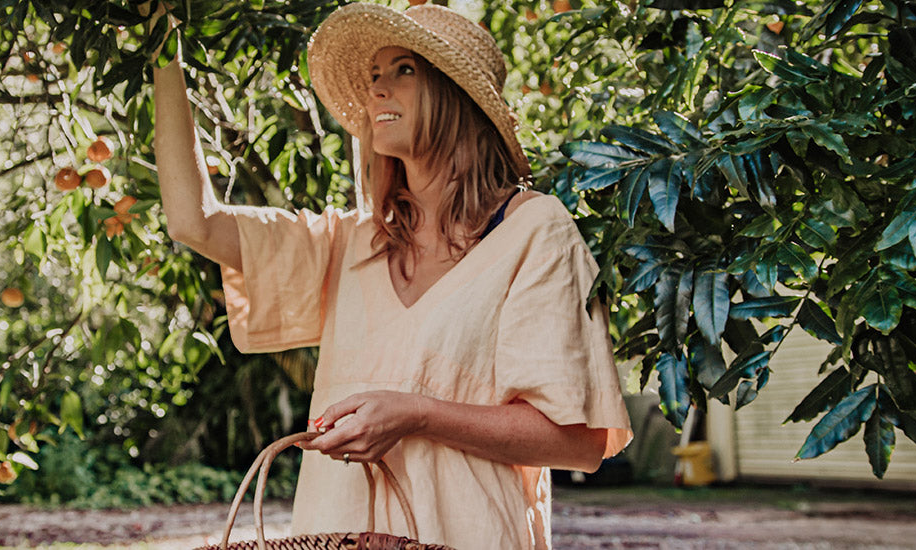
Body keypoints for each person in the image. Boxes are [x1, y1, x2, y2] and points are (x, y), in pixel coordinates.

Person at [153, 3, 632, 548]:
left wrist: (419, 414)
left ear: (458, 95)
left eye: (404, 69)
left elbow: (575, 442)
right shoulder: (351, 244)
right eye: (375, 75)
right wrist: (161, 42)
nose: (378, 89)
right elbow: (194, 221)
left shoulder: (533, 232)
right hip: (335, 536)